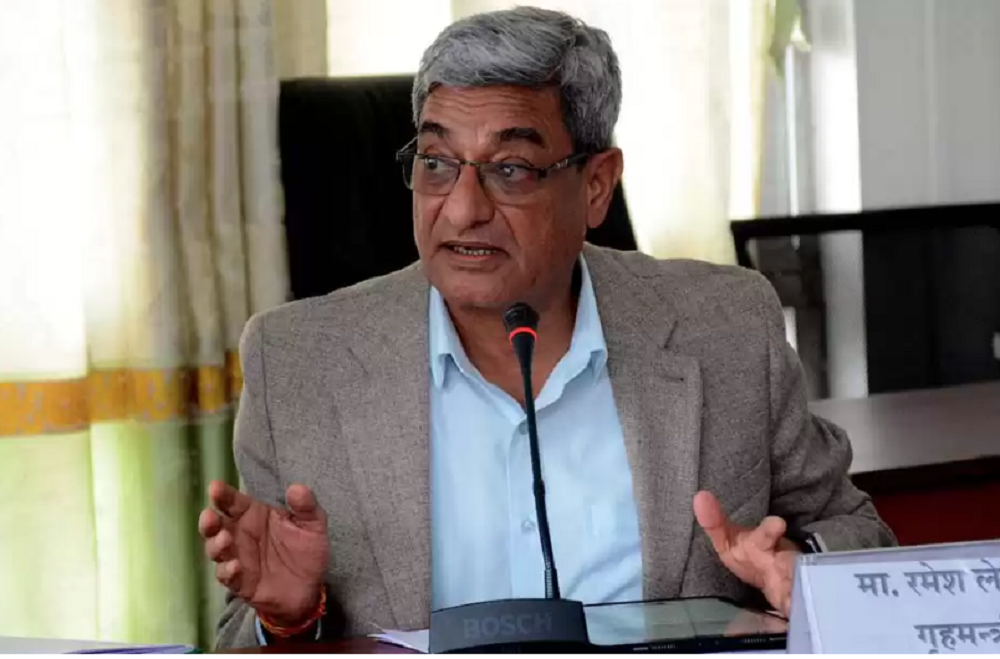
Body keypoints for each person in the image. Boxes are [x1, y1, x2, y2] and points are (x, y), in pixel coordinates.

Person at [200, 6, 895, 649]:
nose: (462, 209)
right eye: (436, 164)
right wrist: (286, 618)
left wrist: (802, 572)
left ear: (596, 185)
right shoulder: (297, 362)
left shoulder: (725, 327)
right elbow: (240, 632)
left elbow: (856, 531)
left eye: (511, 169)